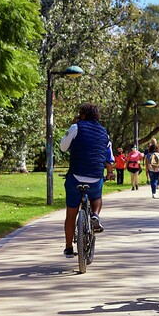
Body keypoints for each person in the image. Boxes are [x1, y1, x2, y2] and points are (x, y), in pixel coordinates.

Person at [59, 103, 115, 258]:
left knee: (71, 214)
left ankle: (69, 248)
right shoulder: (104, 133)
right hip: (96, 177)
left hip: (76, 176)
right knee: (96, 197)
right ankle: (95, 215)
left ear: (82, 114)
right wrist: (110, 173)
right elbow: (109, 158)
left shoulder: (76, 127)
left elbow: (63, 147)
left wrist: (72, 128)